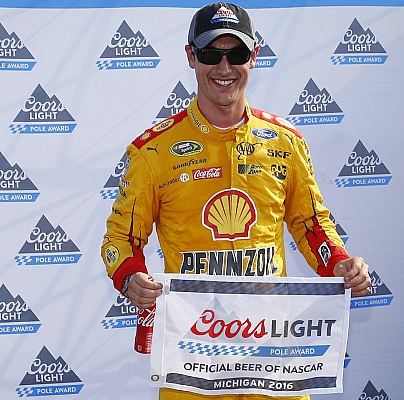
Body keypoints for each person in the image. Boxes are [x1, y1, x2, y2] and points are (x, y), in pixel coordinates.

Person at [101, 3, 372, 399]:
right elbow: (121, 239)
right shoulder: (153, 151)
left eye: (237, 53)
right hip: (193, 354)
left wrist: (340, 264)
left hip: (272, 352)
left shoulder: (286, 142)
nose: (224, 67)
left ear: (254, 56)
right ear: (191, 57)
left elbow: (311, 225)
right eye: (211, 54)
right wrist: (129, 277)